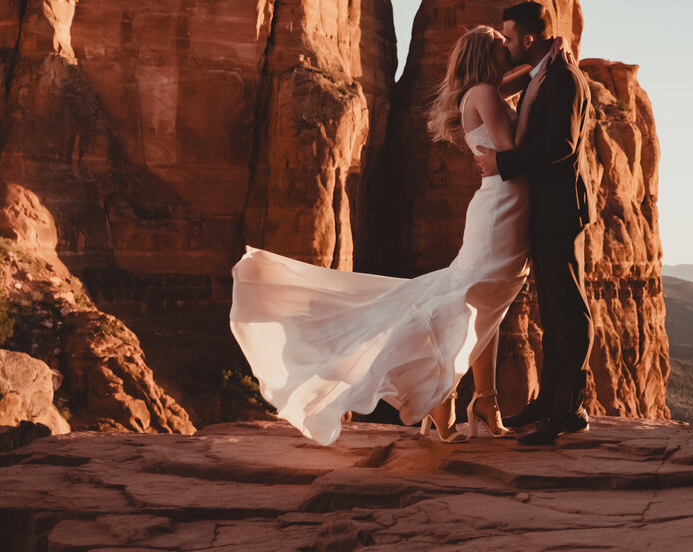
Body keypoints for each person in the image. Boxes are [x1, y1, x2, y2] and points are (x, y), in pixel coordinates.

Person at [230, 25, 566, 444]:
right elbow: (512, 147)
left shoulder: (483, 91)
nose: (510, 50)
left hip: (503, 205)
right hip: (501, 209)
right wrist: (536, 88)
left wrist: (538, 71)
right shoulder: (483, 93)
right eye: (503, 45)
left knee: (484, 301)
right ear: (487, 55)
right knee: (473, 297)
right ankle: (444, 396)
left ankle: (480, 398)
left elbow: (508, 90)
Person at [475, 1, 594, 445]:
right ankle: (550, 399)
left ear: (527, 37)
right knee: (553, 309)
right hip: (546, 208)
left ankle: (570, 408)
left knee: (569, 309)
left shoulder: (561, 75)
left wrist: (502, 162)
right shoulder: (546, 69)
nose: (506, 44)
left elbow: (561, 145)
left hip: (561, 207)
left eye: (509, 37)